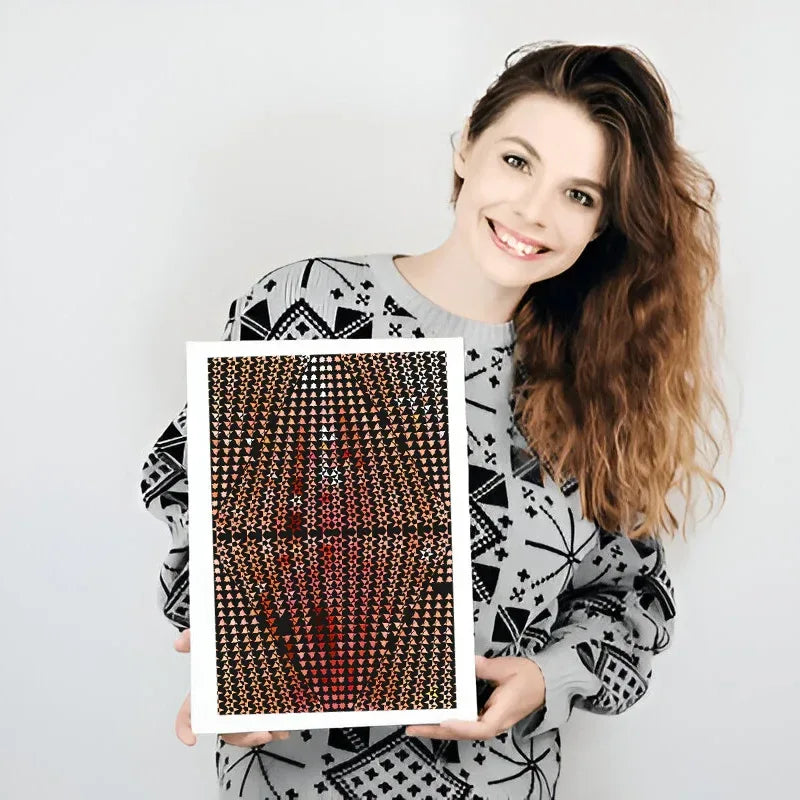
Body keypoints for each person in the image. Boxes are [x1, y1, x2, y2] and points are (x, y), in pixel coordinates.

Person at [140, 41, 728, 799]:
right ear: (466, 147)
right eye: (518, 162)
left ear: (601, 227)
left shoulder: (599, 385)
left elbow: (632, 602)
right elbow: (189, 496)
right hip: (291, 780)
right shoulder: (308, 306)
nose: (532, 211)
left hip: (494, 782)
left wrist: (543, 678)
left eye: (579, 196)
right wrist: (230, 656)